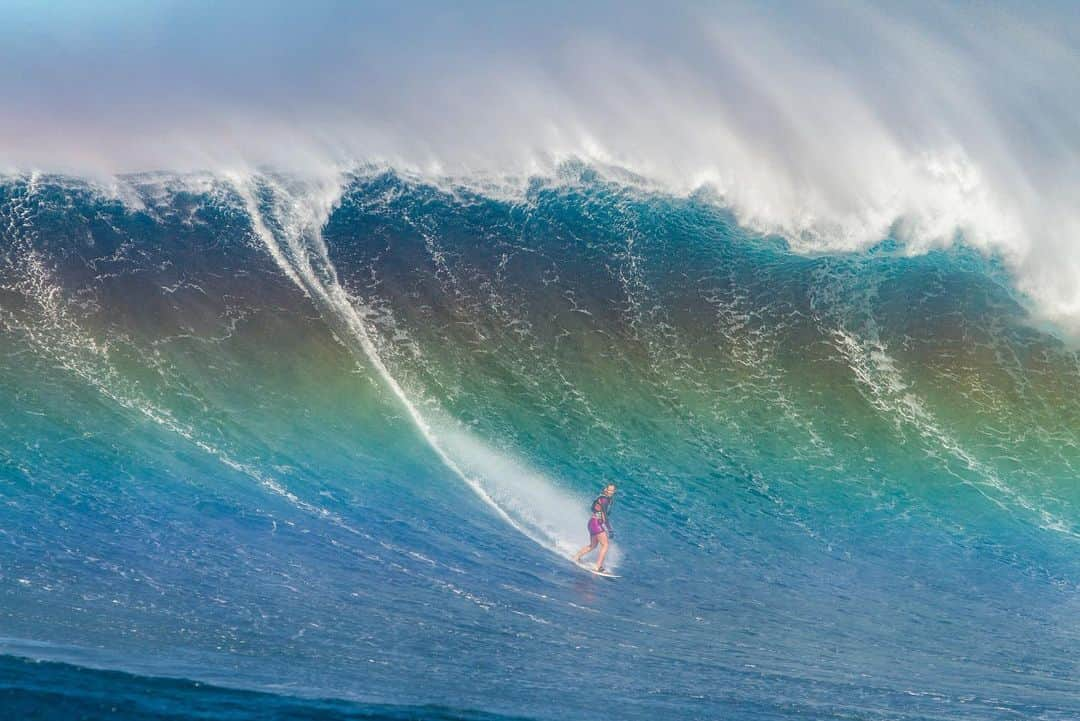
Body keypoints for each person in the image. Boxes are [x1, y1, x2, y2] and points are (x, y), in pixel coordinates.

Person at [573, 483, 617, 572]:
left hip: (592, 522)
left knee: (593, 545)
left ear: (614, 491)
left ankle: (576, 557)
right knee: (605, 545)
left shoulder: (606, 498)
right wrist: (610, 529)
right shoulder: (604, 499)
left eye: (612, 490)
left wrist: (600, 514)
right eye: (609, 490)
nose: (610, 492)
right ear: (606, 489)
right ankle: (598, 566)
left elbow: (594, 508)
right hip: (596, 524)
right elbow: (604, 515)